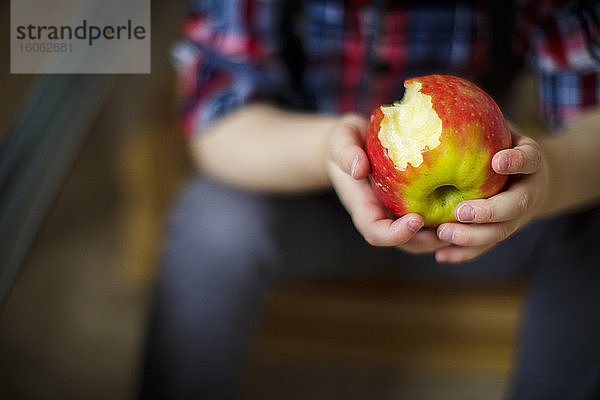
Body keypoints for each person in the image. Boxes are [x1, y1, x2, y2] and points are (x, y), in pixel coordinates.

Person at [140, 1, 600, 399]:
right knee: (212, 223)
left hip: (481, 218)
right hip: (305, 198)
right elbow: (218, 126)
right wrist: (328, 151)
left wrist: (546, 181)